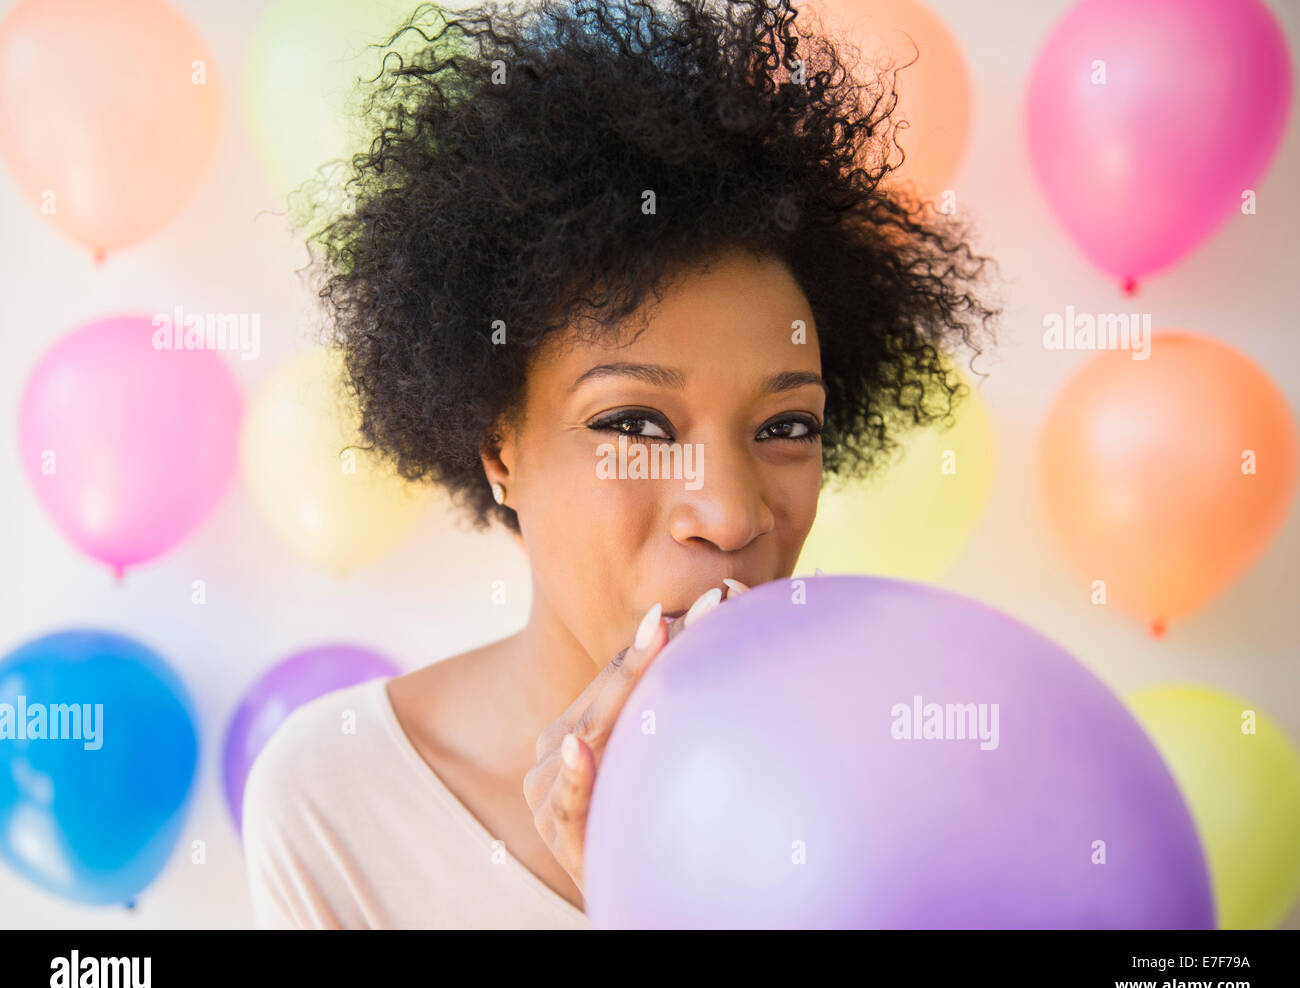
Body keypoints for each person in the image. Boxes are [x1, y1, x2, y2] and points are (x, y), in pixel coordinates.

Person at [241, 0, 999, 929]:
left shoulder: (904, 782)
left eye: (786, 425)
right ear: (499, 449)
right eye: (636, 422)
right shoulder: (342, 798)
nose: (728, 514)